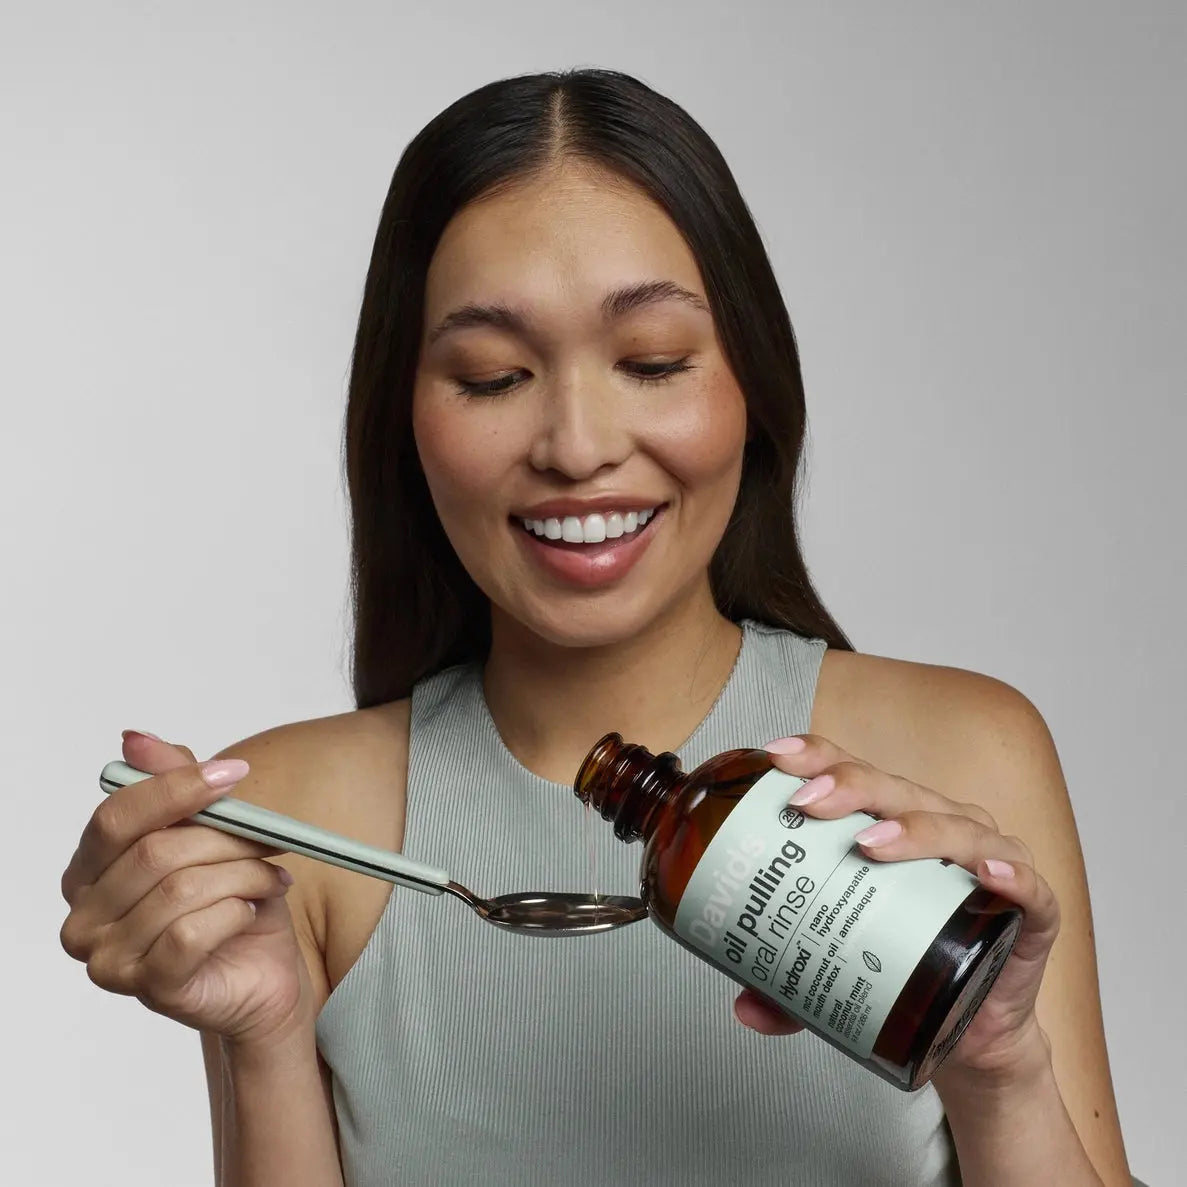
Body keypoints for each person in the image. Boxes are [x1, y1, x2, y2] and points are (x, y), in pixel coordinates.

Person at [59, 68, 1135, 1186]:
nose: (576, 446)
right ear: (404, 417)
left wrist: (998, 1071)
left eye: (652, 362)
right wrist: (261, 1035)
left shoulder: (962, 752)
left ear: (752, 386)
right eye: (492, 376)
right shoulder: (296, 822)